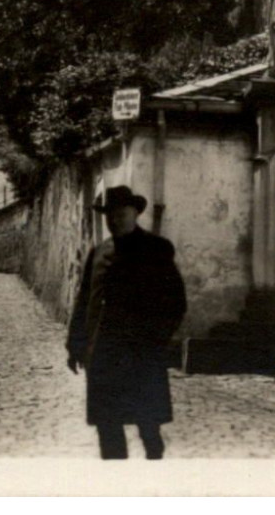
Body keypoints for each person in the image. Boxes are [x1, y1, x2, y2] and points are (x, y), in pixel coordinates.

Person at [66, 186, 187, 459]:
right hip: (103, 356)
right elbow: (85, 302)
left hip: (141, 355)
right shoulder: (98, 252)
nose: (114, 220)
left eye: (120, 214)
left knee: (149, 429)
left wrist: (156, 341)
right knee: (107, 429)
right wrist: (75, 345)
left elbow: (175, 303)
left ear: (135, 213)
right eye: (109, 215)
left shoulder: (156, 250)